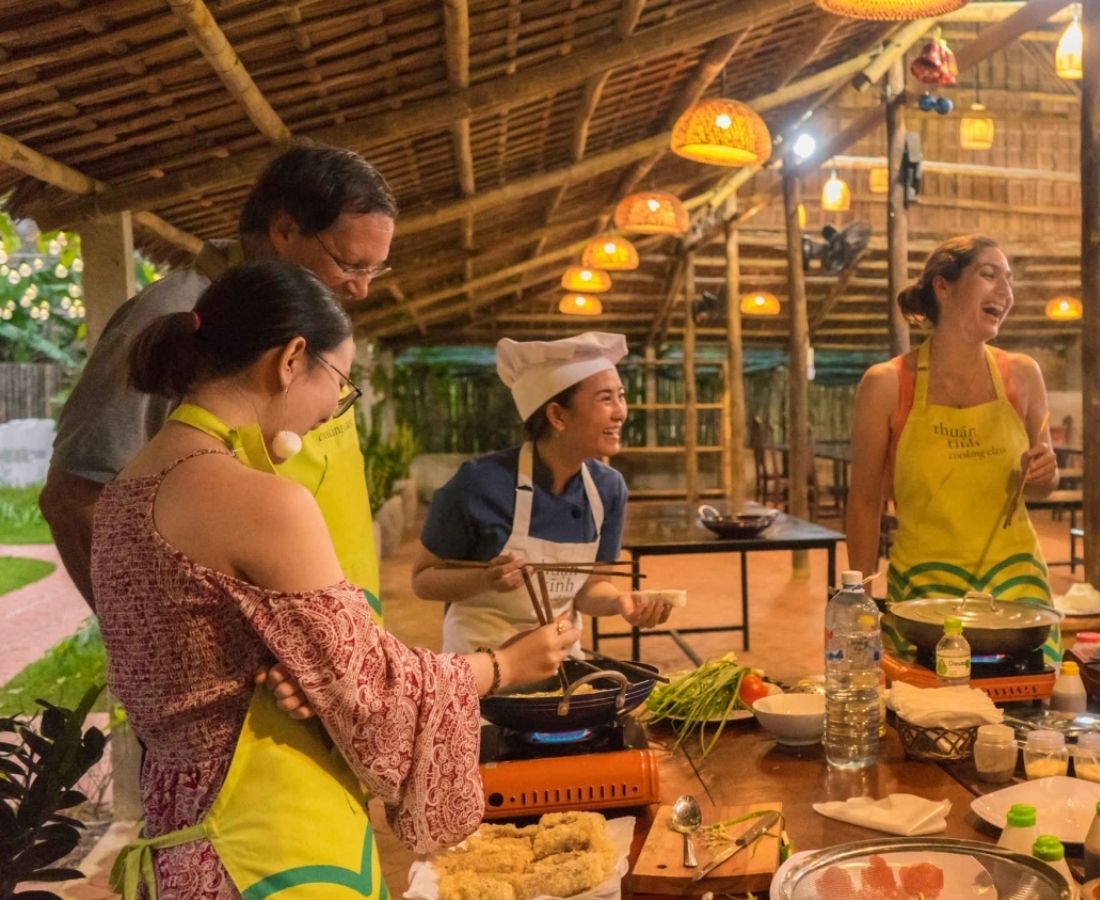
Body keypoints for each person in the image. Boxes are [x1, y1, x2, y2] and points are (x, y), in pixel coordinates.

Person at [93, 259, 577, 898]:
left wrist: (311, 677)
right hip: (271, 848)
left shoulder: (124, 492)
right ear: (291, 359)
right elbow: (372, 689)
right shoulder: (258, 499)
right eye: (340, 384)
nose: (332, 412)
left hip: (180, 845)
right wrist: (507, 666)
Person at [42, 142, 395, 614]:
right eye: (350, 265)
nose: (362, 287)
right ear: (285, 230)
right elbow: (73, 498)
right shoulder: (174, 314)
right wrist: (146, 636)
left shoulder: (307, 322)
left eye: (375, 269)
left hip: (330, 638)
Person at [845, 236, 1058, 660]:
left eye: (1010, 280)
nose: (1006, 292)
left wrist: (1046, 474)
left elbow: (1040, 486)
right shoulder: (887, 384)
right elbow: (865, 502)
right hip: (923, 597)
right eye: (989, 274)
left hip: (1016, 597)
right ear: (943, 286)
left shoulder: (1023, 375)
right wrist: (859, 601)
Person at [412, 333, 673, 654]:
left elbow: (589, 588)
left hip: (560, 662)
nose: (621, 412)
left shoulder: (608, 489)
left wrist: (620, 602)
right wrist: (485, 579)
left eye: (621, 396)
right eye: (606, 399)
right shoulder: (478, 484)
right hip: (479, 664)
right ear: (558, 416)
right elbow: (423, 580)